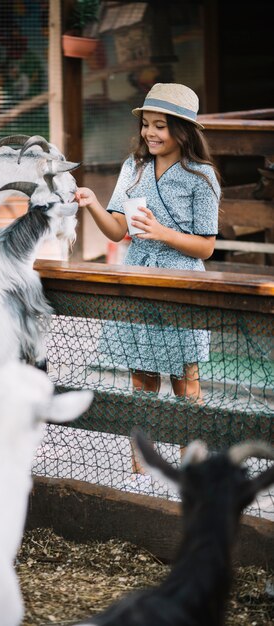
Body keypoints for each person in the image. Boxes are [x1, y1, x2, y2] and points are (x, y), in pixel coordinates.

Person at [76, 83, 221, 477]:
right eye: (146, 125)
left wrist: (163, 234)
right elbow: (116, 230)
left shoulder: (202, 177)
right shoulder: (132, 168)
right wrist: (91, 205)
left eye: (160, 125)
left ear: (183, 130)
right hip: (138, 276)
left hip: (181, 283)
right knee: (141, 378)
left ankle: (191, 469)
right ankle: (141, 468)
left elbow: (206, 247)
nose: (150, 133)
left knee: (184, 382)